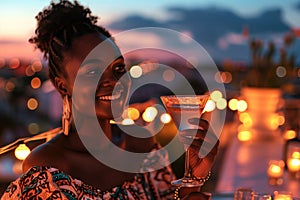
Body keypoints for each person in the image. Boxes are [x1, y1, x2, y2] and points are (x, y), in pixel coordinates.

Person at [1, 0, 219, 199]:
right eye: (92, 72)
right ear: (62, 85)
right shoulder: (46, 169)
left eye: (118, 68)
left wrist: (196, 176)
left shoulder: (144, 146)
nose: (114, 81)